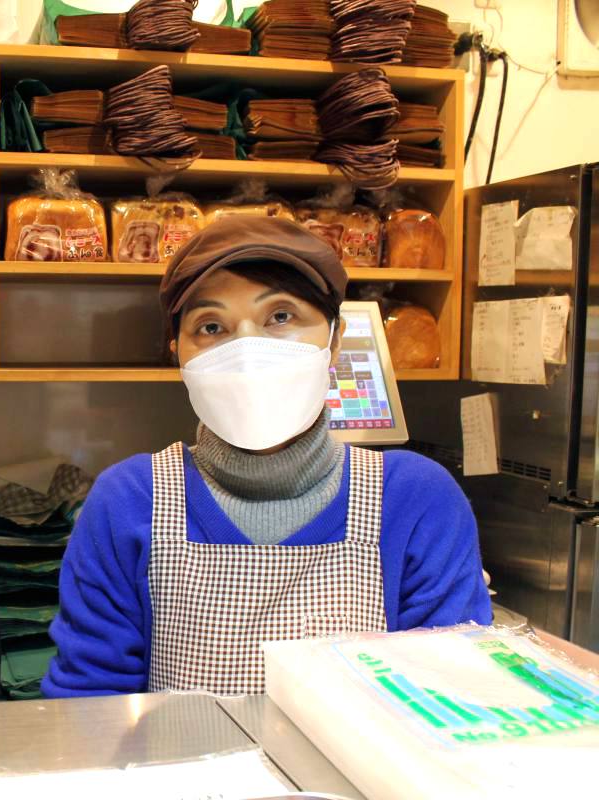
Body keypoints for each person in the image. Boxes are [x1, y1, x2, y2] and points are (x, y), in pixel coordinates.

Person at [42, 216, 492, 697]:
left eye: (280, 317)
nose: (247, 352)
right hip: (172, 770)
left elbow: (452, 701)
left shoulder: (414, 499)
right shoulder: (129, 500)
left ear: (335, 341)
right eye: (211, 326)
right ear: (179, 355)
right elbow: (88, 703)